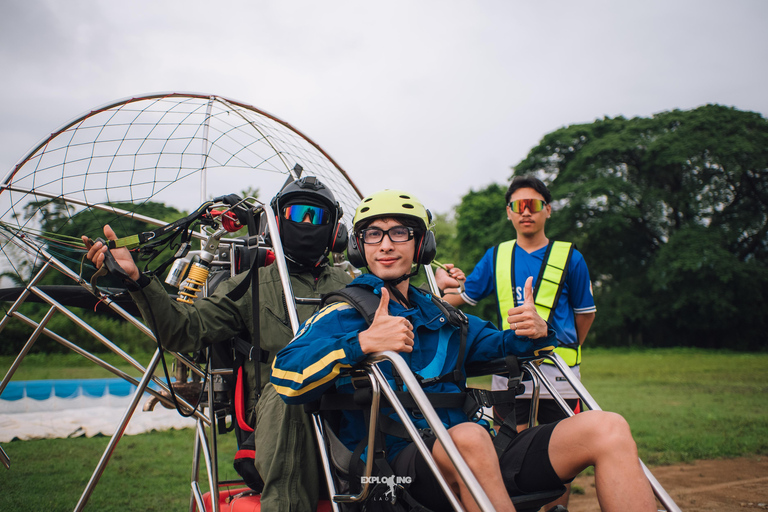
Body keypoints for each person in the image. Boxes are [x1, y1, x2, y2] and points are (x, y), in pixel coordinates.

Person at [272, 189, 655, 512]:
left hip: (474, 452)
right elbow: (286, 375)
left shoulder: (441, 313)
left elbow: (501, 345)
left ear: (422, 244)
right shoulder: (344, 312)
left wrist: (534, 332)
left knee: (608, 427)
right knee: (471, 438)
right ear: (359, 246)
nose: (386, 244)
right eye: (373, 234)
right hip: (390, 471)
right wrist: (363, 344)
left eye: (400, 233)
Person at [83, 176, 353, 512]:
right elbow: (183, 328)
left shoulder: (352, 284)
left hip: (348, 403)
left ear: (335, 230)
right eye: (297, 213)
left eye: (317, 216)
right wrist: (137, 281)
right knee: (291, 389)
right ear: (277, 222)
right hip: (281, 405)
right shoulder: (250, 285)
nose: (307, 224)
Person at [436, 175, 596, 509]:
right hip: (509, 370)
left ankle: (556, 510)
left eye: (533, 205)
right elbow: (461, 298)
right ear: (509, 213)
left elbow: (585, 315)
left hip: (560, 373)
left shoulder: (571, 257)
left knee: (563, 450)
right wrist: (435, 288)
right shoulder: (497, 255)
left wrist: (563, 346)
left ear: (547, 210)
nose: (526, 212)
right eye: (518, 206)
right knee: (510, 446)